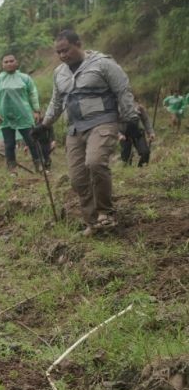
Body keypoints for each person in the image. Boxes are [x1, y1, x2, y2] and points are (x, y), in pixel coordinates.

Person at [36, 30, 137, 236]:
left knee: (95, 162)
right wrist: (45, 125)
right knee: (77, 178)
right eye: (59, 52)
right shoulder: (59, 73)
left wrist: (131, 119)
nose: (63, 55)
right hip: (75, 128)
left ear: (78, 44)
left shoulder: (103, 64)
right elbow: (56, 102)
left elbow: (122, 90)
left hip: (103, 122)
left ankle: (105, 214)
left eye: (66, 50)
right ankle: (92, 223)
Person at [0, 53, 43, 173]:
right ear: (2, 65)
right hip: (5, 116)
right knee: (9, 144)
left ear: (16, 63)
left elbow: (33, 93)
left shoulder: (25, 78)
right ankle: (12, 169)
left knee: (32, 141)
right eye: (6, 62)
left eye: (11, 61)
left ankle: (39, 166)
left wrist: (36, 110)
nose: (9, 63)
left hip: (24, 115)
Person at [119, 96, 155, 167]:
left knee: (145, 153)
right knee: (126, 158)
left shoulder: (138, 107)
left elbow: (145, 120)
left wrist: (150, 132)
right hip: (124, 136)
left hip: (138, 134)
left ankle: (141, 169)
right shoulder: (117, 109)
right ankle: (128, 173)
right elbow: (113, 124)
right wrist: (119, 134)